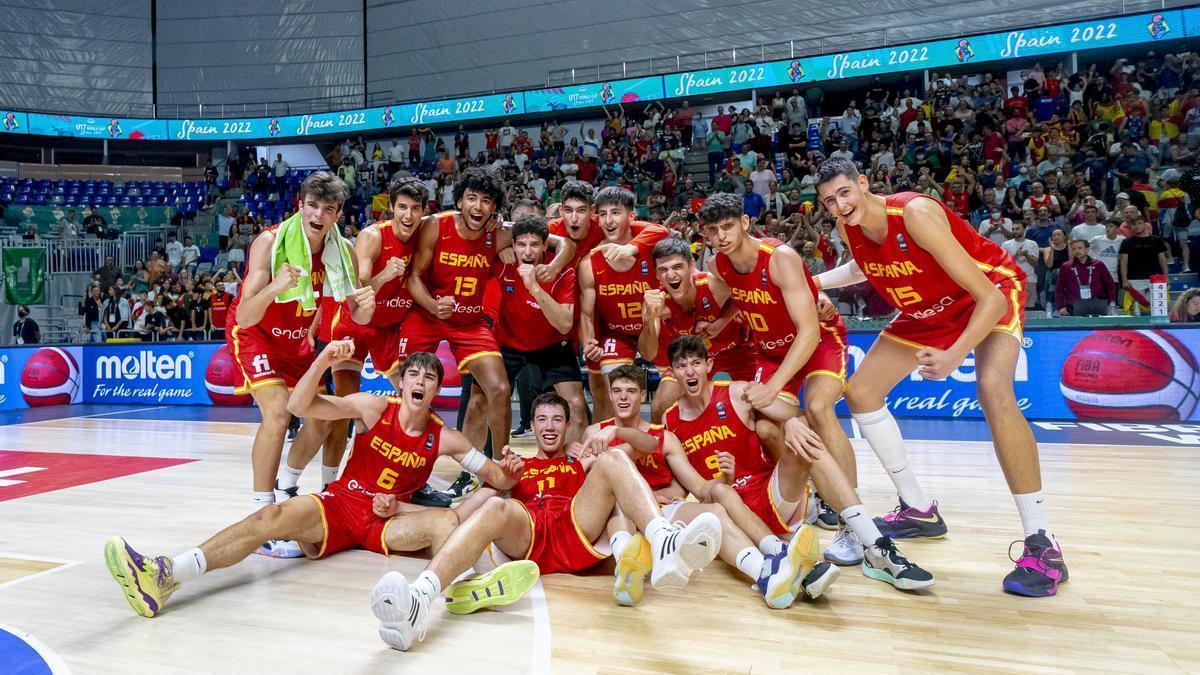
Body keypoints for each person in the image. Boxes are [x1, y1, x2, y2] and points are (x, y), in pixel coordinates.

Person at [102, 346, 520, 619]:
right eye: (414, 375)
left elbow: (493, 476)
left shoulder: (445, 438)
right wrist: (322, 362)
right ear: (403, 381)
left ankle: (454, 589)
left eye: (430, 378)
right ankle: (167, 574)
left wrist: (511, 470)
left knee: (446, 524)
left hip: (387, 522)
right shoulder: (373, 408)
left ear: (435, 389)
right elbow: (300, 405)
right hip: (342, 504)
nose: (421, 383)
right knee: (272, 515)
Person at [813, 157, 1067, 598]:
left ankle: (1043, 543)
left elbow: (987, 297)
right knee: (863, 392)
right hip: (928, 307)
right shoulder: (847, 227)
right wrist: (810, 283)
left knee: (992, 390)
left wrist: (955, 355)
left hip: (982, 295)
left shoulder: (915, 213)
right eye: (829, 201)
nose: (839, 206)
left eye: (844, 193)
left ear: (864, 183)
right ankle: (919, 510)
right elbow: (860, 269)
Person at [368, 392, 723, 652]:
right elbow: (459, 514)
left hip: (574, 527)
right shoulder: (515, 466)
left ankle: (662, 543)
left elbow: (645, 447)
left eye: (557, 420)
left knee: (613, 458)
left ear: (569, 426)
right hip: (529, 536)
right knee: (494, 505)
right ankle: (418, 600)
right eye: (542, 419)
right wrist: (401, 508)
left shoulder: (579, 460)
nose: (550, 427)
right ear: (532, 425)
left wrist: (616, 436)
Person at [664, 336, 933, 589]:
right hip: (731, 511)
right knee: (721, 492)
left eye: (695, 363)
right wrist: (725, 477)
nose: (690, 372)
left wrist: (790, 423)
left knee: (806, 441)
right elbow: (700, 491)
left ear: (708, 365)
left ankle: (875, 545)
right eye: (681, 366)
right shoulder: (670, 422)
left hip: (770, 494)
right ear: (672, 372)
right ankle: (781, 555)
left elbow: (798, 415)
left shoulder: (738, 392)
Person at [225, 172, 376, 556]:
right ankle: (262, 516)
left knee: (325, 415)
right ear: (300, 204)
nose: (319, 214)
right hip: (257, 334)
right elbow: (244, 315)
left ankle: (288, 485)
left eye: (328, 209)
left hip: (296, 341)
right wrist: (275, 287)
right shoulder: (269, 243)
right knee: (277, 415)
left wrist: (363, 312)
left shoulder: (342, 250)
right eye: (313, 205)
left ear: (337, 214)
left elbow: (353, 314)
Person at [403, 168, 573, 498]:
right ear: (459, 200)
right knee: (410, 388)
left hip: (469, 323)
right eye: (471, 199)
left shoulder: (503, 233)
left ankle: (497, 470)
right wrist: (432, 303)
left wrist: (552, 267)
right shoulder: (435, 225)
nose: (478, 207)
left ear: (494, 208)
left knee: (498, 388)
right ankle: (409, 473)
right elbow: (414, 277)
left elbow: (562, 242)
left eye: (486, 201)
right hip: (427, 315)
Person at [637, 237, 756, 422]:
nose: (670, 275)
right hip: (691, 361)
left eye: (677, 267)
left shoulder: (712, 284)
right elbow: (647, 353)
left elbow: (746, 289)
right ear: (657, 274)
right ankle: (665, 449)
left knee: (756, 408)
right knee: (660, 404)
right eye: (663, 270)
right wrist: (648, 319)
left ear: (692, 265)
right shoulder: (656, 302)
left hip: (736, 353)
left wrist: (721, 322)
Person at [494, 215, 588, 441]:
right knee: (486, 397)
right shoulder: (502, 264)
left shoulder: (562, 272)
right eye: (521, 245)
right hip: (509, 344)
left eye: (535, 245)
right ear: (513, 245)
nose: (527, 252)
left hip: (552, 345)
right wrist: (499, 251)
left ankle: (573, 465)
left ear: (545, 246)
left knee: (576, 404)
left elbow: (565, 324)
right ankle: (494, 461)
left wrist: (535, 288)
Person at [577, 187, 661, 420]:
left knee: (665, 400)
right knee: (613, 390)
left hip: (655, 325)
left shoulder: (652, 250)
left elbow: (663, 231)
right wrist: (589, 342)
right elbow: (586, 313)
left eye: (615, 212)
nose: (608, 220)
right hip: (617, 333)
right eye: (602, 214)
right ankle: (612, 446)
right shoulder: (590, 262)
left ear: (631, 217)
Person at [1119, 214, 1171, 315]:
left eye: (1139, 223)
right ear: (1130, 227)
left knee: (1159, 309)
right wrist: (1124, 280)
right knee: (1134, 310)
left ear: (1145, 225)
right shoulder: (1126, 242)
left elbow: (1162, 259)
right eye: (1134, 224)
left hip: (1155, 278)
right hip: (1134, 279)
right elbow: (1123, 262)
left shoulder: (1156, 240)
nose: (1137, 226)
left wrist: (1166, 277)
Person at [1055, 239, 1116, 316]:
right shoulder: (1066, 266)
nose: (1077, 251)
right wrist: (1060, 307)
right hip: (1073, 307)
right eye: (1074, 249)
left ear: (1087, 249)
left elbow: (1110, 284)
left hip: (1096, 305)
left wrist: (1112, 303)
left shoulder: (1098, 265)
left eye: (1080, 248)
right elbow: (1059, 288)